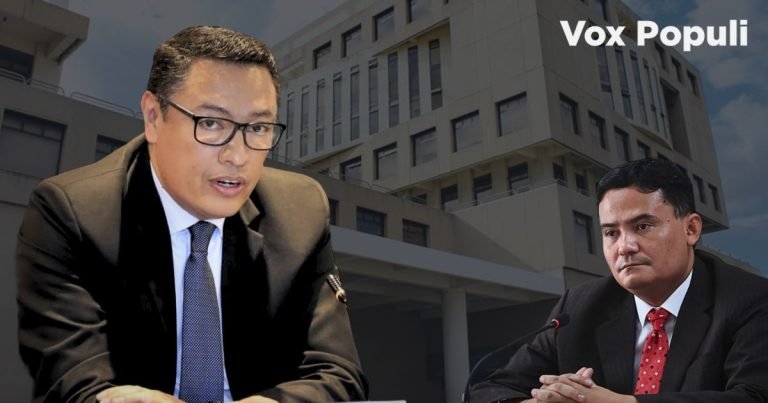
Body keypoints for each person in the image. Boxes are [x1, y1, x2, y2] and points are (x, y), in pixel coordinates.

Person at [16, 26, 367, 403]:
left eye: (258, 127)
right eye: (211, 123)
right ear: (153, 117)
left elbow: (339, 374)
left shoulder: (300, 211)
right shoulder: (72, 213)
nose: (238, 156)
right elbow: (71, 383)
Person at [469, 158, 768, 402]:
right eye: (611, 233)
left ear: (691, 229)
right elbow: (488, 390)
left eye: (643, 226)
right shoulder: (578, 307)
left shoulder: (749, 299)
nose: (624, 247)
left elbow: (753, 396)